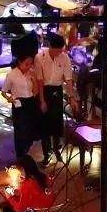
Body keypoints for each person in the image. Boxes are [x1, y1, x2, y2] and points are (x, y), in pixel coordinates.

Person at [35, 33, 79, 166]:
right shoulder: (40, 57)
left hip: (57, 91)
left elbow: (68, 79)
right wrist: (42, 100)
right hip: (43, 90)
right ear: (51, 47)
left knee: (57, 122)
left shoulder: (64, 57)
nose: (60, 52)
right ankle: (47, 154)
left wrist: (72, 97)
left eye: (61, 50)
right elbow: (39, 81)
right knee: (44, 124)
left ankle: (57, 149)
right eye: (57, 50)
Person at [1, 55, 41, 160]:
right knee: (19, 129)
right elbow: (4, 91)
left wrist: (34, 81)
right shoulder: (12, 74)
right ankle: (20, 155)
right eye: (26, 64)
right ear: (20, 62)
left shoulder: (31, 73)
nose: (29, 66)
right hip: (18, 102)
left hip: (30, 102)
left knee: (30, 127)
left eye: (30, 64)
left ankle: (26, 149)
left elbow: (35, 92)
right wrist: (9, 98)